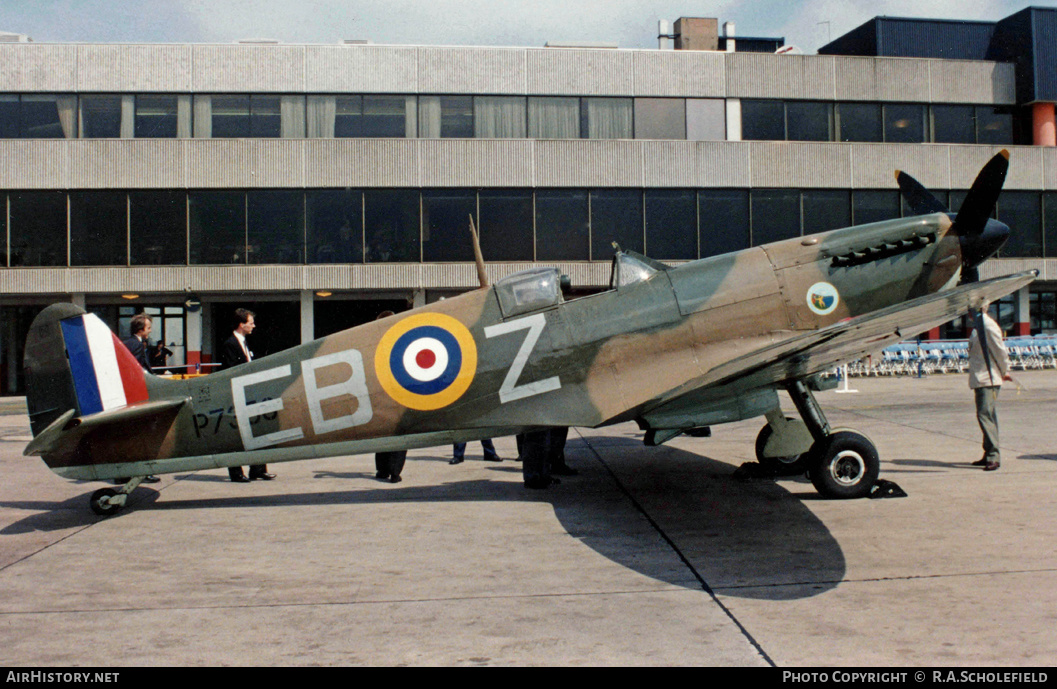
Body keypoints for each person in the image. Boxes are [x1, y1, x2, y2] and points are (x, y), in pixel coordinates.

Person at [219, 308, 276, 483]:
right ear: (241, 324)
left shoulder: (244, 343)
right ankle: (236, 473)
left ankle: (257, 469)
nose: (254, 326)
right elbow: (231, 371)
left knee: (258, 430)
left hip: (250, 395)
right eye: (251, 323)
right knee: (237, 436)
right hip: (238, 397)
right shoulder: (230, 344)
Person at [116, 313, 161, 484]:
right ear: (141, 329)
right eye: (148, 328)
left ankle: (123, 473)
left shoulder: (132, 343)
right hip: (136, 399)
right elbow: (132, 372)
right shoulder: (135, 345)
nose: (150, 331)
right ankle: (142, 472)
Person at [967, 302, 1011, 472]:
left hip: (989, 378)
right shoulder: (977, 327)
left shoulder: (987, 325)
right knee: (987, 415)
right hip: (980, 378)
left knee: (985, 415)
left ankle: (994, 456)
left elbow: (1000, 350)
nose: (968, 314)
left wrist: (1005, 370)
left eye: (970, 310)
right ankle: (988, 454)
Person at [372, 310, 405, 483]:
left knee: (382, 433)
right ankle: (395, 472)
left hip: (381, 396)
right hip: (399, 395)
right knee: (400, 433)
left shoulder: (374, 344)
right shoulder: (399, 341)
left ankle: (382, 470)